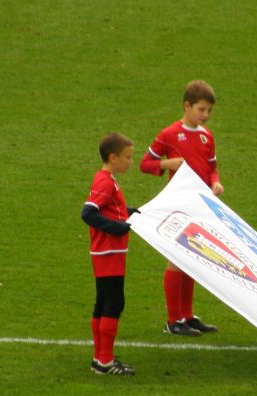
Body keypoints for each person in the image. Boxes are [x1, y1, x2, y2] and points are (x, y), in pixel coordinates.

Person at [139, 80, 222, 337]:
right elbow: (145, 164)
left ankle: (187, 316)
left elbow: (211, 168)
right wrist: (167, 164)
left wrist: (216, 183)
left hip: (199, 205)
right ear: (187, 106)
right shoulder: (169, 134)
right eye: (201, 109)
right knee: (176, 259)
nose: (205, 115)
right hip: (178, 205)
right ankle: (173, 321)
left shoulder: (207, 136)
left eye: (209, 111)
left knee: (192, 258)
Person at [81, 132, 139, 375]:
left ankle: (100, 358)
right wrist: (118, 227)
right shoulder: (105, 181)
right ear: (113, 158)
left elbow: (109, 208)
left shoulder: (106, 178)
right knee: (114, 303)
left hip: (106, 252)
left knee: (103, 301)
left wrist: (129, 212)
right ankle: (105, 362)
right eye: (128, 157)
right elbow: (88, 213)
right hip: (109, 251)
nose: (131, 162)